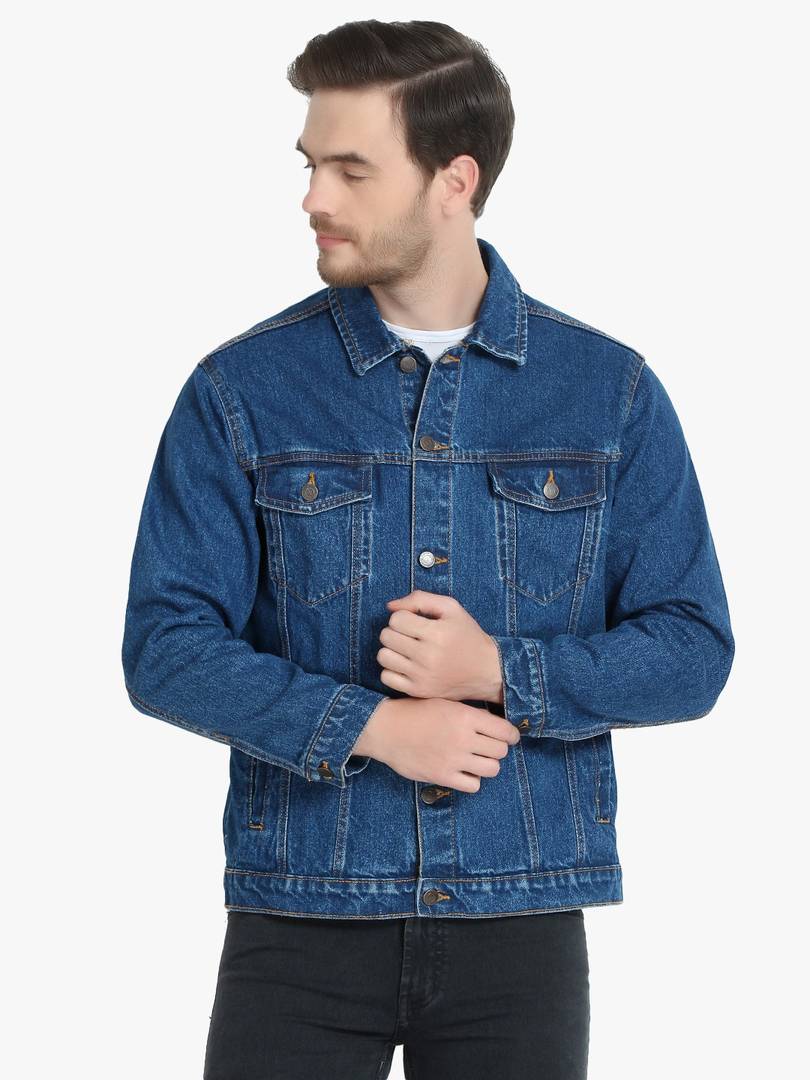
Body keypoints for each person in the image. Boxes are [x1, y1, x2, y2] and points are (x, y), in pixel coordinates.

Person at [121, 18, 735, 1080]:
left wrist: (502, 670)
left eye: (352, 170)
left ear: (455, 180)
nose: (314, 198)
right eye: (311, 164)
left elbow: (692, 650)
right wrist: (374, 726)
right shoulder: (241, 390)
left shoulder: (609, 393)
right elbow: (165, 647)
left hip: (521, 922)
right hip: (299, 917)